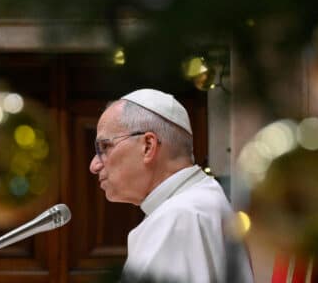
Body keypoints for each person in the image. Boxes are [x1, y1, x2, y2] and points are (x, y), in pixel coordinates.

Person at [88, 88, 254, 283]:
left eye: (105, 147)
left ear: (148, 146)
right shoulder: (199, 200)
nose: (94, 165)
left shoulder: (180, 217)